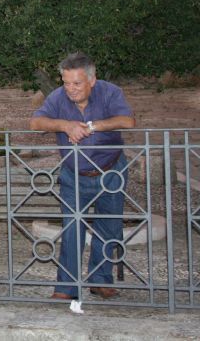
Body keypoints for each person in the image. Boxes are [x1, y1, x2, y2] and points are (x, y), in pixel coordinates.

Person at [30, 52, 135, 301]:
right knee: (71, 228)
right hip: (73, 174)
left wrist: (92, 126)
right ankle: (66, 287)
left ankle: (100, 280)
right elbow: (35, 122)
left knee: (108, 226)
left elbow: (128, 121)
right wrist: (65, 125)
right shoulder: (58, 96)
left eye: (77, 83)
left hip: (111, 171)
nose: (71, 89)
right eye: (66, 82)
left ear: (92, 80)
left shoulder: (110, 92)